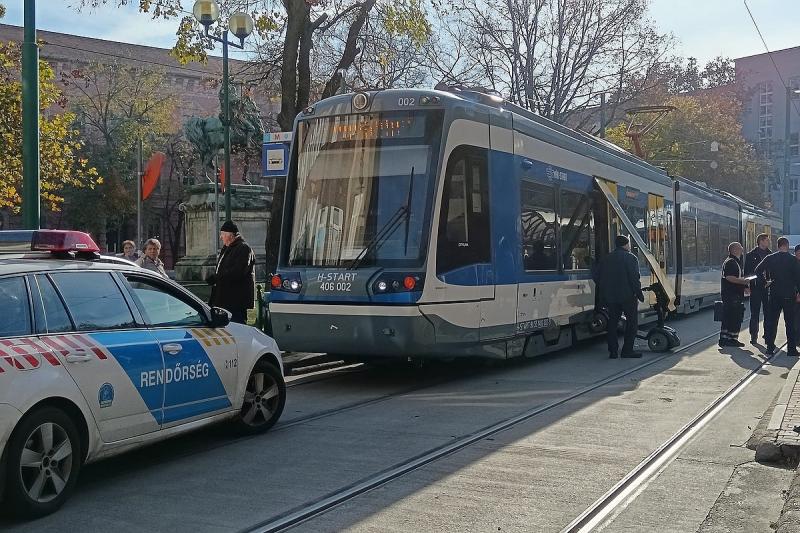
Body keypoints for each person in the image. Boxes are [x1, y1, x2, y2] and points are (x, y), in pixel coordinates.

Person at [597, 235, 645, 359]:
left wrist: (605, 292)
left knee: (612, 323)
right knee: (632, 323)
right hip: (628, 296)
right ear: (626, 244)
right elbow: (634, 279)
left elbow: (598, 276)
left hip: (611, 297)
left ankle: (613, 351)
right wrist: (639, 294)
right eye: (629, 244)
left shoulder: (606, 259)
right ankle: (627, 351)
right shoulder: (631, 258)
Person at [754, 236, 800, 356]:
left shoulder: (770, 258)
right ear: (787, 245)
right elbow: (798, 278)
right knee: (790, 322)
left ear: (778, 245)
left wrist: (765, 282)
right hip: (789, 295)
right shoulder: (793, 260)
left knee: (772, 321)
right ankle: (791, 349)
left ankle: (770, 347)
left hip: (774, 294)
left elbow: (757, 270)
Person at [206, 220, 256, 324]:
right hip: (225, 301)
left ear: (230, 235)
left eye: (223, 234)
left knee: (236, 329)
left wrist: (217, 277)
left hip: (236, 302)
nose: (221, 237)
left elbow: (237, 272)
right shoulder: (227, 248)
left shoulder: (243, 248)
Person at [719, 242, 750, 347]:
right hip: (732, 294)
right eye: (740, 248)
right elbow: (729, 277)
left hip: (734, 294)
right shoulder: (731, 262)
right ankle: (729, 339)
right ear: (735, 250)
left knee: (733, 316)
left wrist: (745, 287)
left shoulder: (735, 261)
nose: (742, 250)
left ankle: (729, 338)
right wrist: (744, 282)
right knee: (733, 316)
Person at [744, 233, 772, 344]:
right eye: (767, 240)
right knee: (754, 313)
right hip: (755, 287)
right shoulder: (751, 255)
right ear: (761, 241)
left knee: (768, 312)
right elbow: (747, 272)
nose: (768, 242)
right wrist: (747, 286)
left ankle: (767, 334)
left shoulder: (770, 254)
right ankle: (754, 336)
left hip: (767, 288)